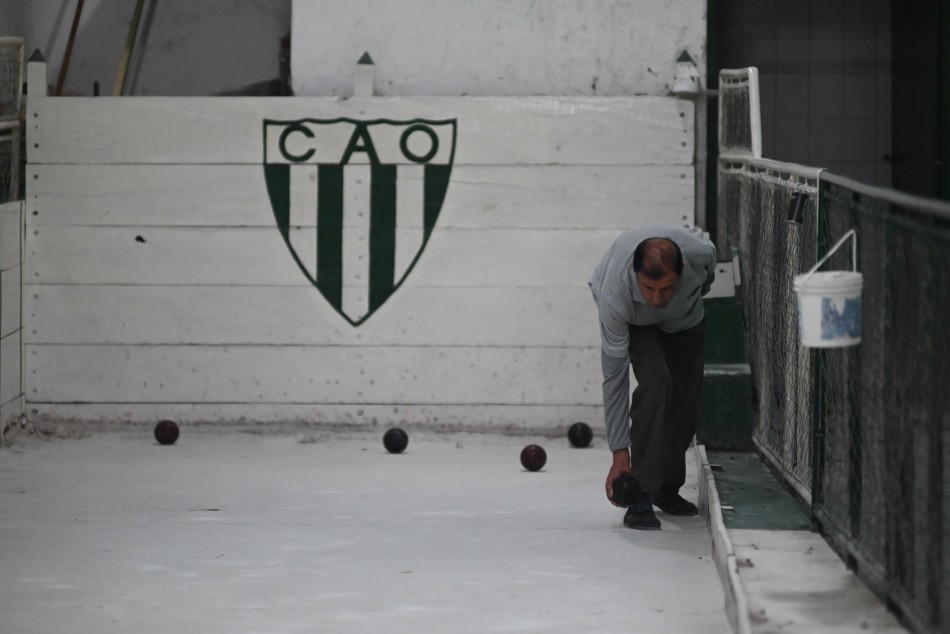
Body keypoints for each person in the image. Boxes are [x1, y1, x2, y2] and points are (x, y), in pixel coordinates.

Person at [588, 222, 716, 530]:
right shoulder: (615, 296)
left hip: (684, 321)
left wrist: (681, 303)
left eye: (666, 288)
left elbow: (707, 282)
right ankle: (641, 494)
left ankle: (665, 488)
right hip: (634, 321)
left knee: (686, 404)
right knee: (657, 385)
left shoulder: (701, 253)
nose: (657, 299)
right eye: (648, 288)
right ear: (634, 274)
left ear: (682, 269)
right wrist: (620, 453)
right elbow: (615, 380)